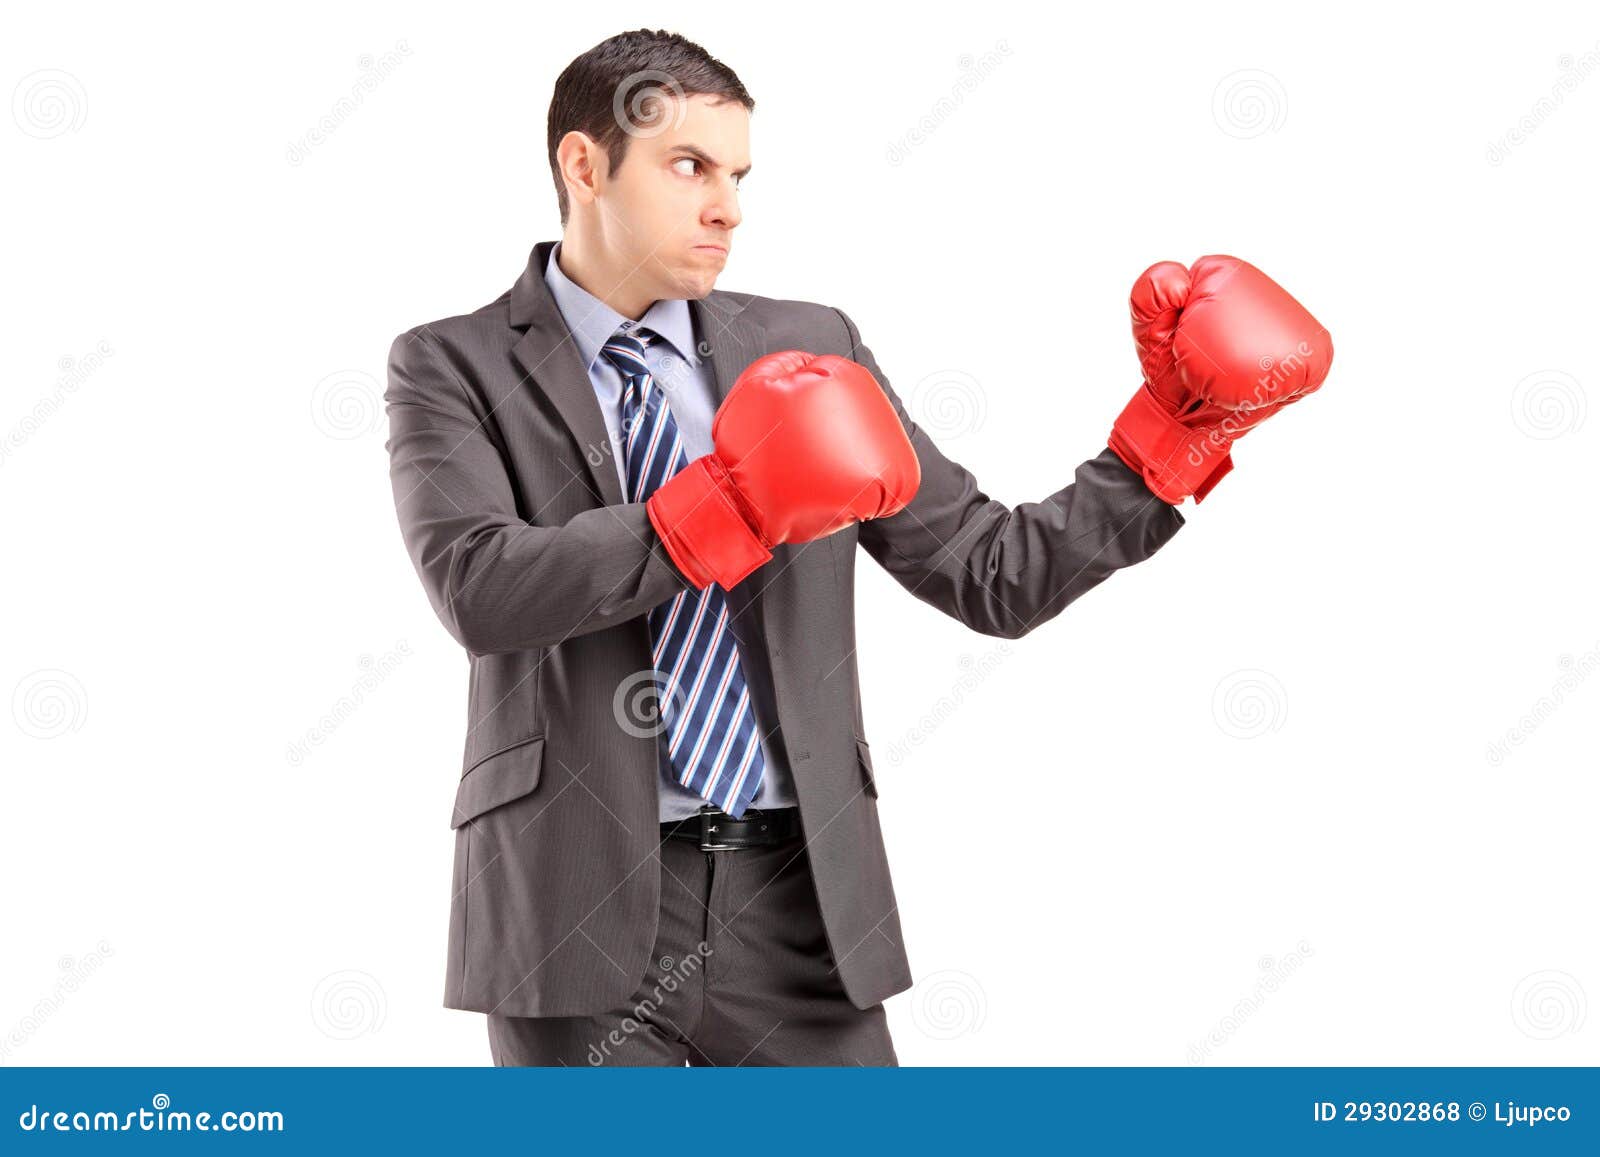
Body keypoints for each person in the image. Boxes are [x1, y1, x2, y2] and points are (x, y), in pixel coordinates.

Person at [382, 27, 1331, 1066]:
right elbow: (481, 586)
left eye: (738, 174)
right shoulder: (453, 362)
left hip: (803, 903)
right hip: (572, 901)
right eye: (688, 166)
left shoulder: (809, 345)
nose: (726, 208)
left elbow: (988, 572)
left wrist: (1172, 432)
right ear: (583, 164)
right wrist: (730, 503)